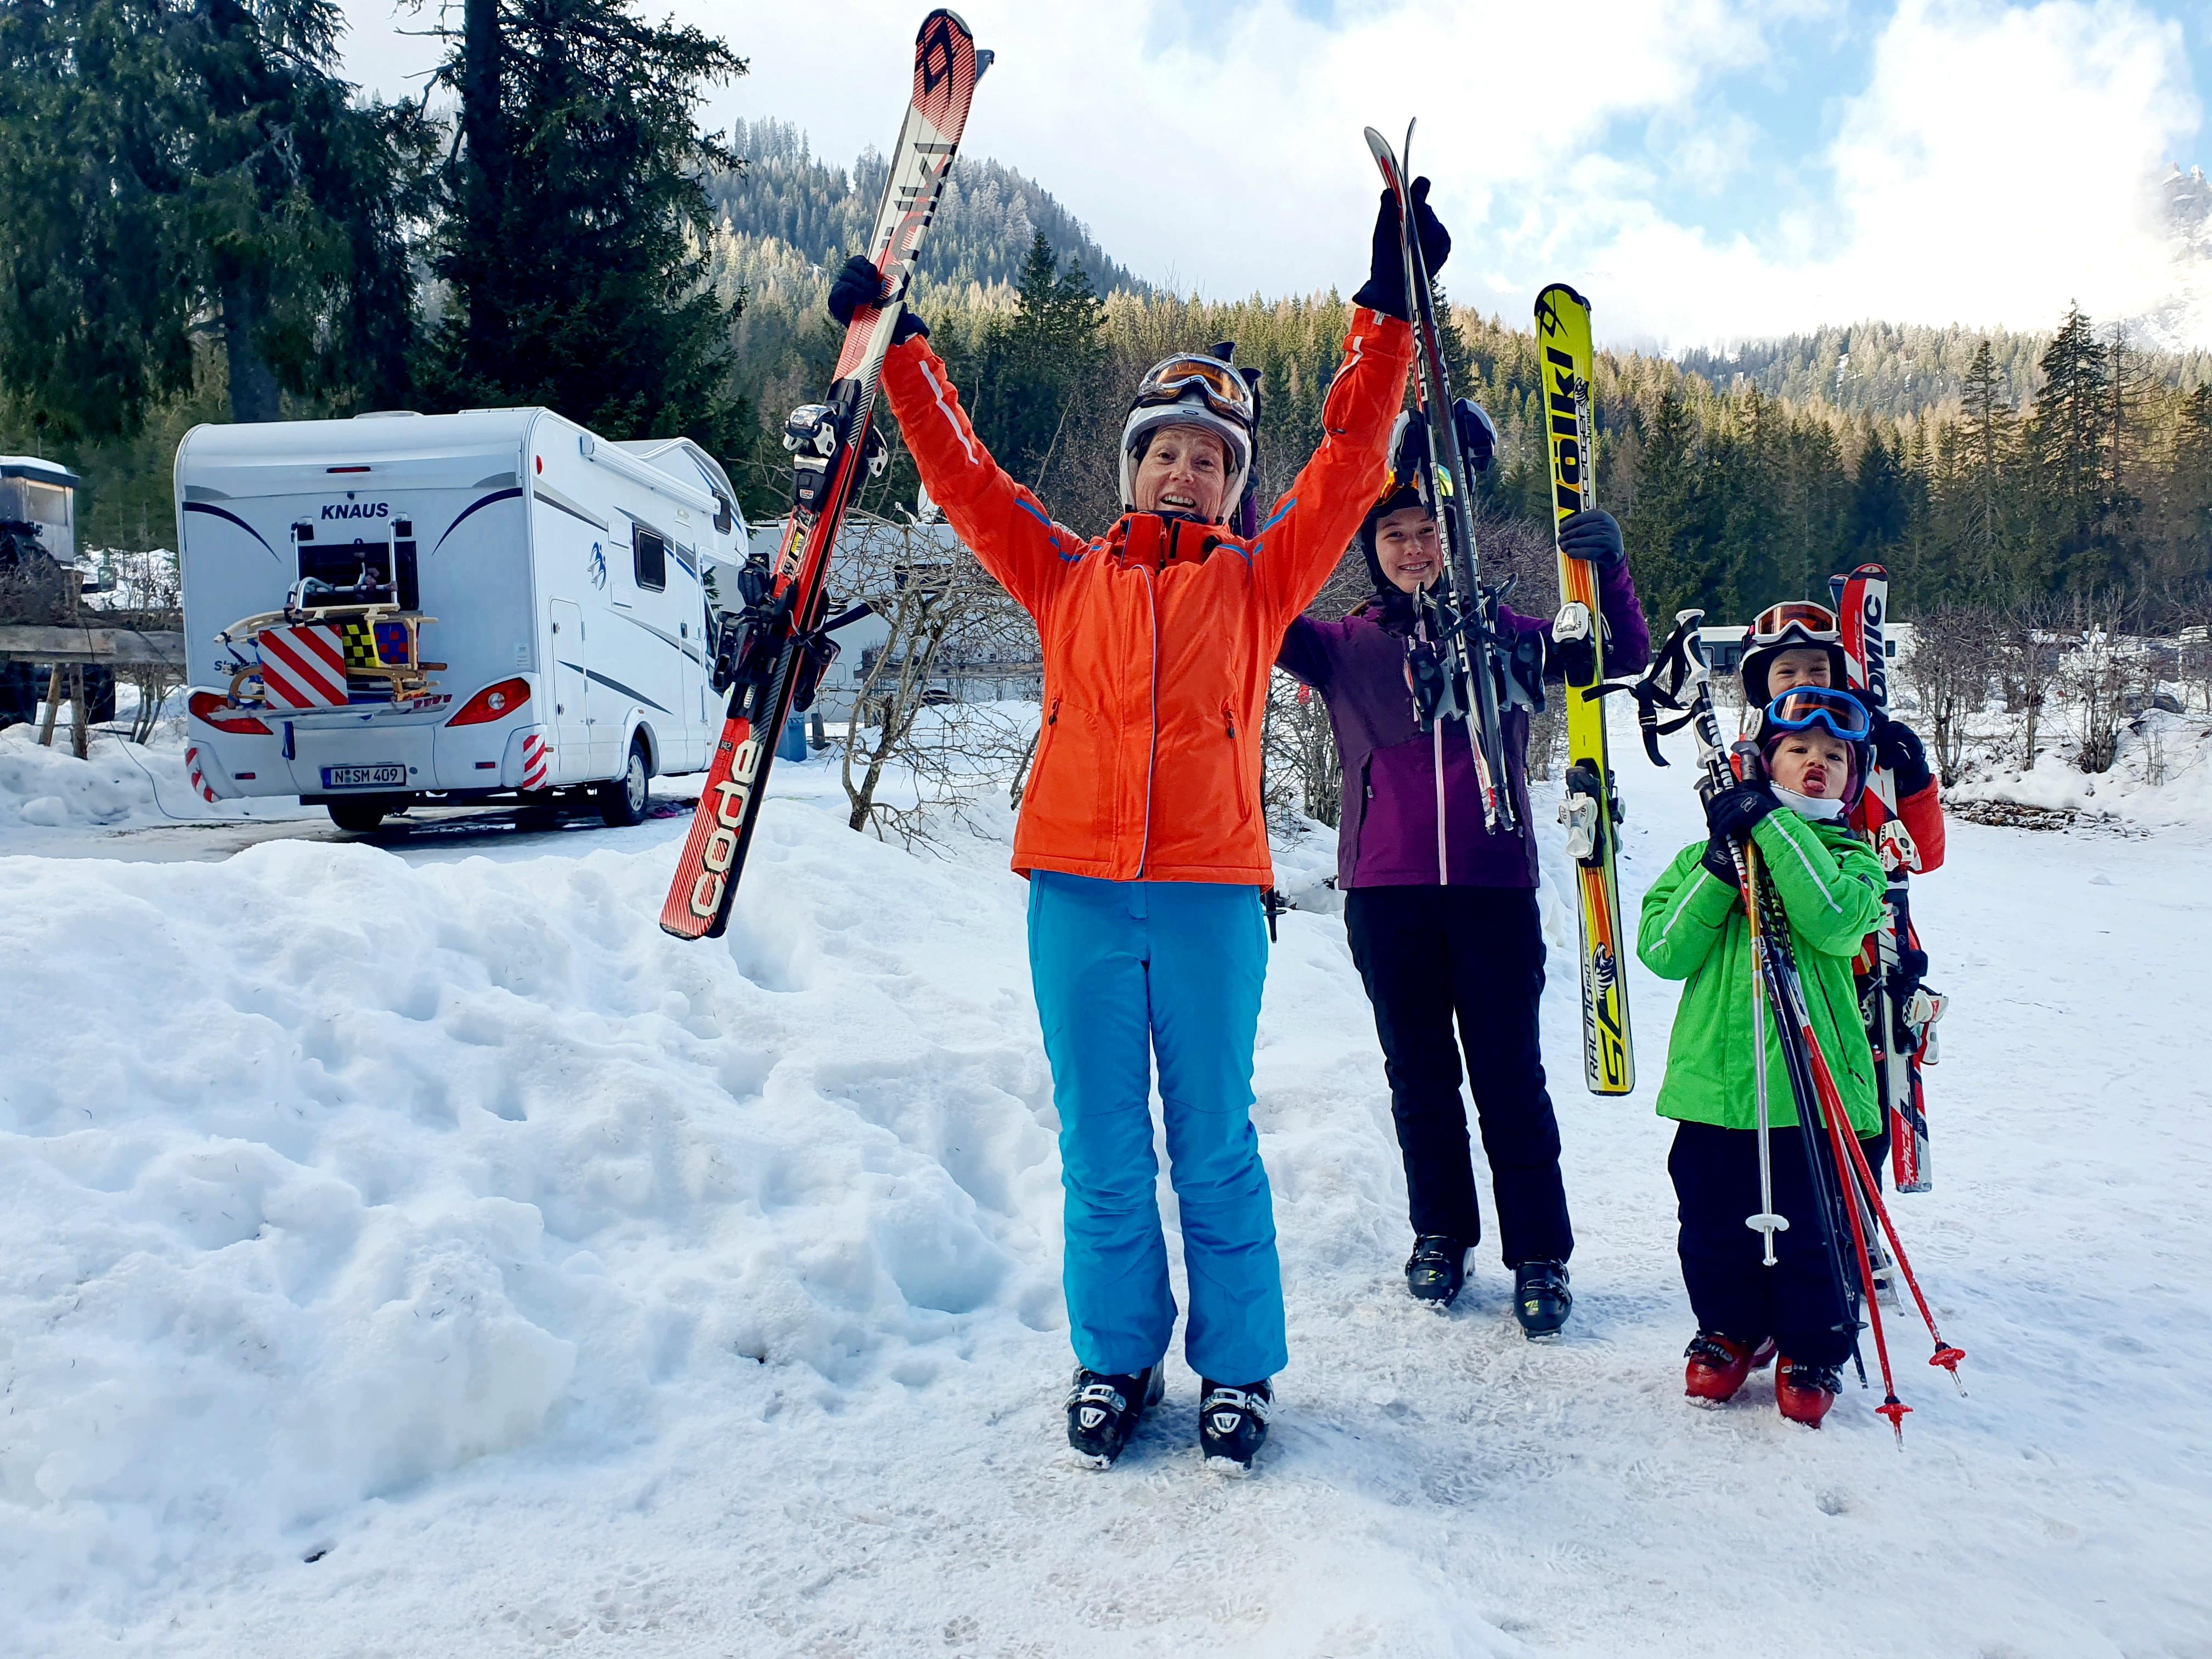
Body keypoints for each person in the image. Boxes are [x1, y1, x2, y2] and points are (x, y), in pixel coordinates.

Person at [826, 180, 1444, 1472]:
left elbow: (1350, 462)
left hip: (1212, 899)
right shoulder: (1065, 574)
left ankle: (1239, 1370)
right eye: (1167, 450)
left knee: (1213, 1145)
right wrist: (906, 347)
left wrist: (1388, 309)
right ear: (1134, 465)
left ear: (1231, 486)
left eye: (1211, 458)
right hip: (1077, 897)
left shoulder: (1261, 580)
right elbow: (964, 477)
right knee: (1102, 1149)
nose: (1186, 468)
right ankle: (1116, 1355)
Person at [1276, 415, 1649, 1333]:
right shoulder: (1343, 646)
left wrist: (1607, 570)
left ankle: (1540, 1254)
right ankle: (1441, 1234)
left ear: (1455, 541)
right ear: (1373, 551)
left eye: (1428, 532)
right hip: (1386, 894)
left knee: (1509, 1077)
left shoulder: (1507, 636)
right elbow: (1256, 608)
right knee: (1419, 1078)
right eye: (1394, 535)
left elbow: (1618, 655)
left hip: (1493, 889)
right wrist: (1244, 502)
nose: (1412, 549)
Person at [1635, 686, 1886, 1425]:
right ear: (1763, 762)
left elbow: (1834, 921)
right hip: (1715, 1091)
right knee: (1713, 1224)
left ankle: (1812, 1346)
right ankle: (1728, 1329)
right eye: (1798, 749)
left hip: (1815, 1093)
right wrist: (1720, 866)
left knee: (1816, 1230)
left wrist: (1771, 824)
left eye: (1835, 755)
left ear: (1852, 778)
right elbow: (1662, 950)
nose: (1817, 762)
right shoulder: (1700, 857)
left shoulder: (1853, 859)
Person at [1739, 600, 1946, 1181]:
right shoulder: (1752, 761)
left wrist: (1912, 781)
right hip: (1788, 960)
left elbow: (1922, 856)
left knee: (1863, 1112)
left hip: (1868, 965)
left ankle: (1859, 1217)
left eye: (1817, 669)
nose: (1803, 682)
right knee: (1794, 1116)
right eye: (1786, 672)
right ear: (1762, 684)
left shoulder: (1861, 755)